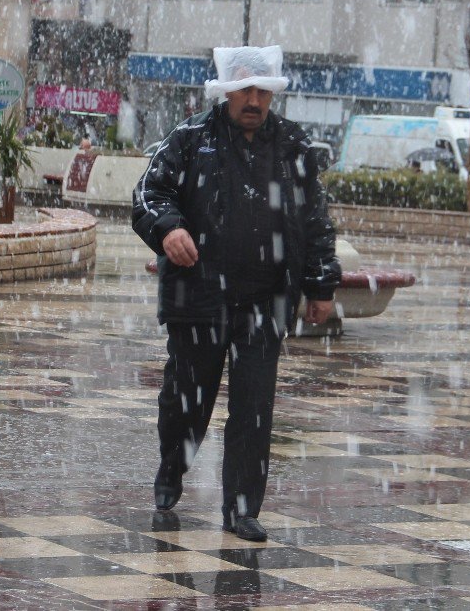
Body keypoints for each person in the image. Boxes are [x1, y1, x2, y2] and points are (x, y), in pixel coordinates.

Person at [132, 45, 341, 542]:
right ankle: (171, 474)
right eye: (244, 89)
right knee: (186, 400)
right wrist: (167, 228)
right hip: (199, 295)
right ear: (225, 92)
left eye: (262, 91)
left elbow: (316, 221)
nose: (253, 100)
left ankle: (243, 508)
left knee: (253, 406)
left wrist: (321, 282)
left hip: (266, 299)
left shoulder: (293, 147)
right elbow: (147, 193)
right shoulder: (189, 139)